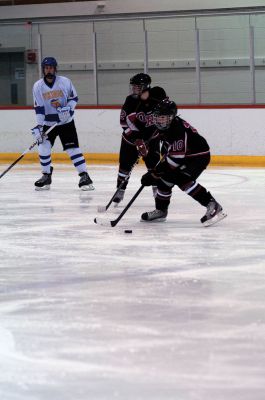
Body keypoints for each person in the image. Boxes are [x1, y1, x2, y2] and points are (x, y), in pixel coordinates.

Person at [140, 99, 227, 227]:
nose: (159, 120)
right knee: (163, 180)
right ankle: (161, 211)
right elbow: (167, 149)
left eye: (162, 117)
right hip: (183, 155)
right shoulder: (165, 126)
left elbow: (174, 161)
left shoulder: (178, 130)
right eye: (157, 117)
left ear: (171, 117)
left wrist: (154, 173)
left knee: (182, 179)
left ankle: (213, 205)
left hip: (198, 156)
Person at [32, 56, 94, 191]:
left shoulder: (65, 82)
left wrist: (69, 109)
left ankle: (84, 176)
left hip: (66, 123)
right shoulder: (38, 86)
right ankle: (46, 175)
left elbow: (74, 98)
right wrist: (40, 127)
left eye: (51, 68)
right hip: (48, 123)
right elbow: (39, 108)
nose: (48, 70)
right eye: (46, 68)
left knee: (73, 149)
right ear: (43, 69)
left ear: (55, 69)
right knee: (43, 148)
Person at [113, 73, 167, 205]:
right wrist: (137, 140)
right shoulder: (130, 101)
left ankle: (157, 191)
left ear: (146, 87)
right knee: (125, 165)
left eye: (138, 87)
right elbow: (123, 123)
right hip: (130, 140)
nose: (134, 89)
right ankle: (120, 191)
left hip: (151, 139)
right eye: (133, 86)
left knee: (154, 166)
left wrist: (160, 136)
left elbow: (164, 116)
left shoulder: (156, 97)